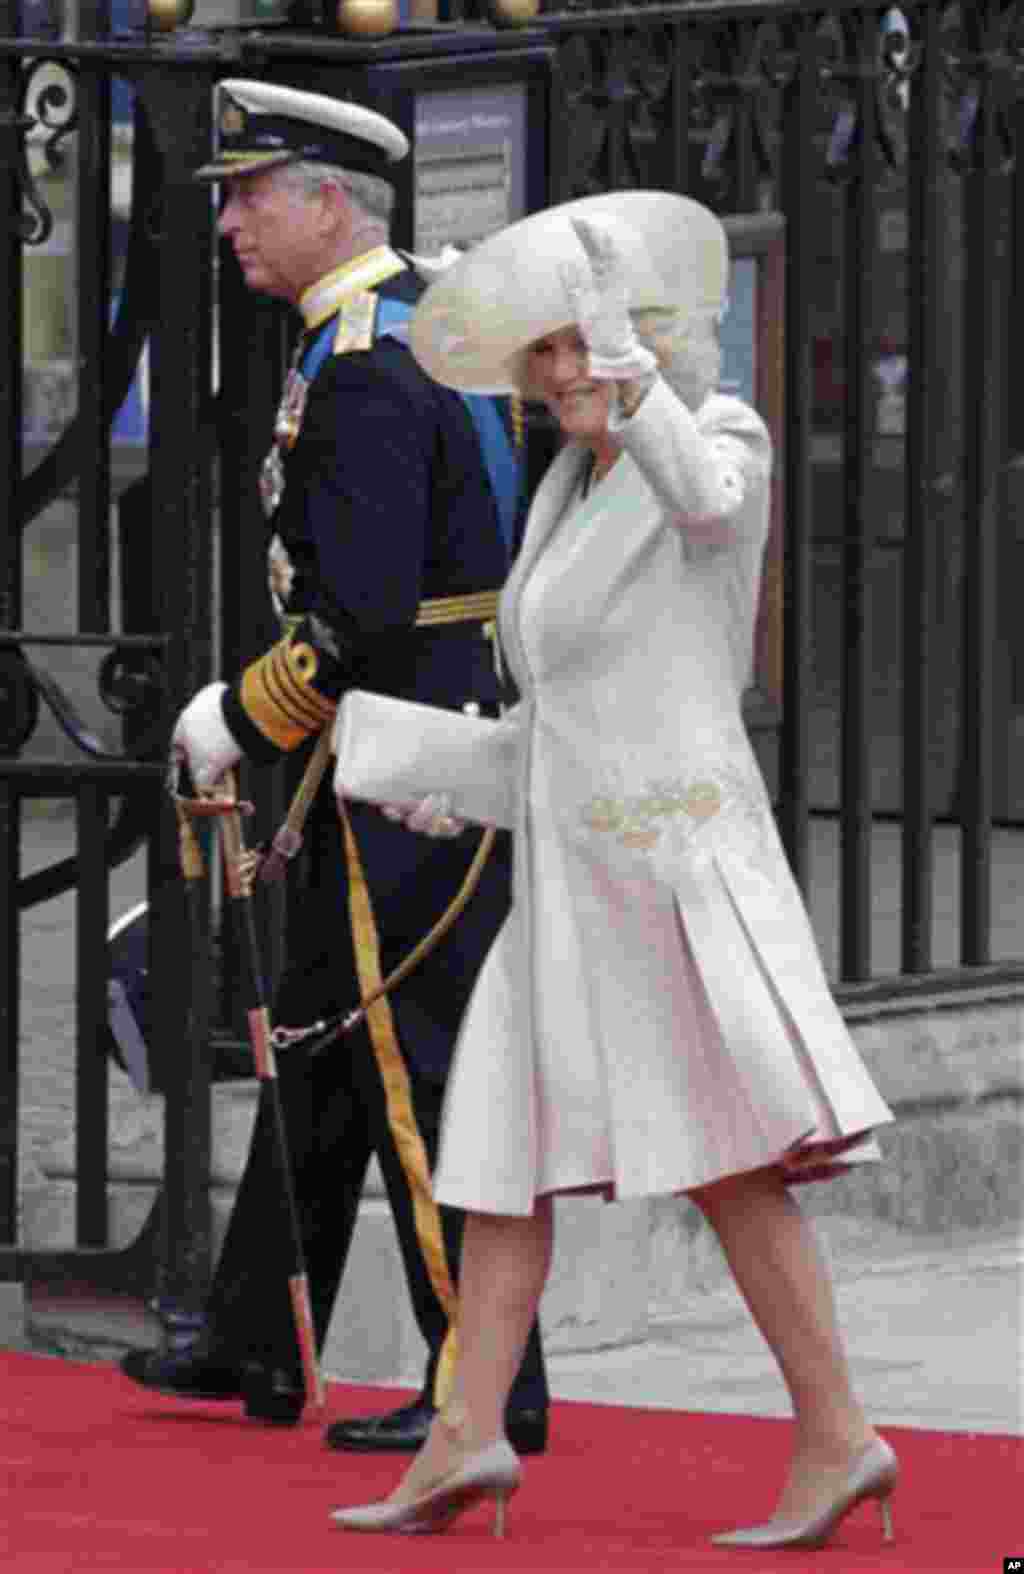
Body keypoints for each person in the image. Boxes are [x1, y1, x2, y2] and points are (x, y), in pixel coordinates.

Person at [328, 192, 900, 1547]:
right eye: (547, 355)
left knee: (728, 1166)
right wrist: (446, 777)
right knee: (499, 1156)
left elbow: (701, 499)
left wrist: (628, 380)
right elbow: (567, 712)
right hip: (572, 884)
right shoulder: (569, 487)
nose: (568, 373)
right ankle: (467, 1435)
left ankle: (837, 1431)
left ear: (653, 337)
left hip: (672, 874)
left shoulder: (717, 442)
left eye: (590, 345)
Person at [117, 78, 549, 1457]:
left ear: (324, 201)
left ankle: (482, 1385)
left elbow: (355, 616)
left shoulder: (365, 364)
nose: (231, 221)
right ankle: (257, 1327)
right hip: (430, 725)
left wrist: (238, 717)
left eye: (250, 195)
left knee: (415, 1066)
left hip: (401, 751)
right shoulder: (424, 313)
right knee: (318, 1037)